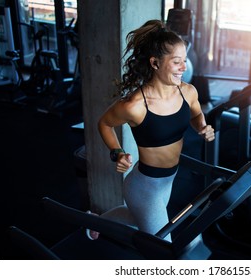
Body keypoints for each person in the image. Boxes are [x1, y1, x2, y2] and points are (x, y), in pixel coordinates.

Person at [88, 19, 215, 242]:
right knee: (162, 248)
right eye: (177, 62)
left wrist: (202, 127)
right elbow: (104, 123)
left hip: (167, 181)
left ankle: (93, 222)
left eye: (184, 61)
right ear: (155, 63)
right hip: (144, 188)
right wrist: (117, 152)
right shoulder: (134, 106)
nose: (184, 68)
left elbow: (196, 114)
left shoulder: (188, 92)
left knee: (135, 217)